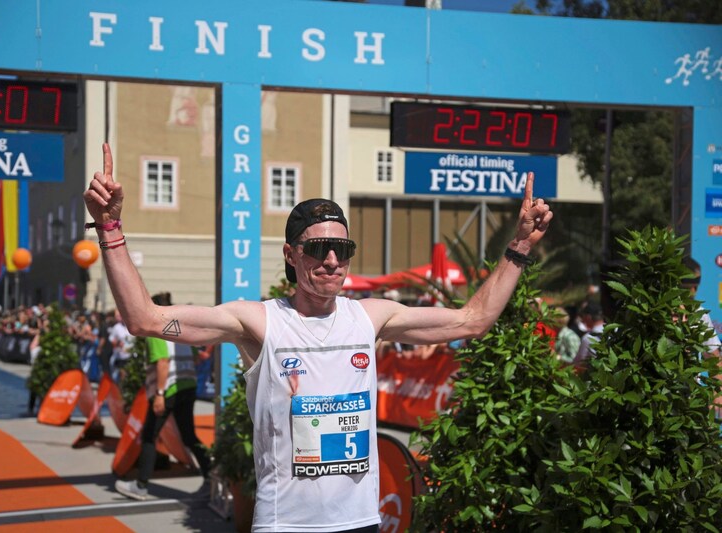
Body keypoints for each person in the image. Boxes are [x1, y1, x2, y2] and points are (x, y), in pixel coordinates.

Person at [84, 143, 552, 532]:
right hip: (285, 523)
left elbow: (472, 320)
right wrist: (109, 228)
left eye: (342, 249)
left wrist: (519, 248)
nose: (331, 259)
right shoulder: (258, 322)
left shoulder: (373, 317)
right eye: (316, 248)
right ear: (291, 255)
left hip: (361, 520)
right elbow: (144, 319)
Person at [115, 294, 212, 501]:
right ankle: (211, 477)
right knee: (189, 436)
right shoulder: (180, 327)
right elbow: (195, 357)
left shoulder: (155, 329)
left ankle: (141, 485)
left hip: (168, 390)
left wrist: (159, 394)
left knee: (149, 436)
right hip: (187, 385)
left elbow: (162, 362)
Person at [572, 301, 604, 370]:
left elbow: (579, 363)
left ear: (588, 317)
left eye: (583, 316)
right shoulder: (615, 329)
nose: (582, 320)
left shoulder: (588, 338)